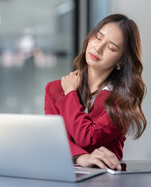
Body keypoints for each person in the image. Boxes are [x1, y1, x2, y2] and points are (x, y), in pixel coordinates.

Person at [44, 14, 147, 170]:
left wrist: (71, 92)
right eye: (98, 38)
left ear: (121, 60)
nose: (98, 48)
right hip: (60, 175)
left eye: (111, 47)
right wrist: (82, 158)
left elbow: (87, 137)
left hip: (104, 180)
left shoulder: (124, 101)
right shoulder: (54, 89)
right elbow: (52, 139)